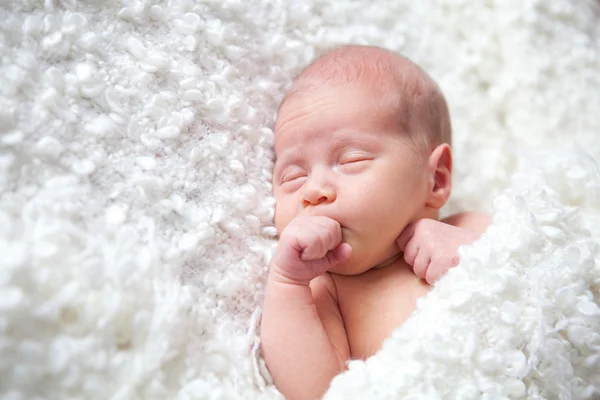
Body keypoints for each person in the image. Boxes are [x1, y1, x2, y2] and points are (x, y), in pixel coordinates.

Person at [260, 45, 490, 400]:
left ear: (437, 180)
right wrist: (287, 283)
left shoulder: (470, 228)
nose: (314, 190)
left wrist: (474, 259)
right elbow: (316, 391)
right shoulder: (326, 291)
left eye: (350, 159)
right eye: (293, 176)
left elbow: (543, 281)